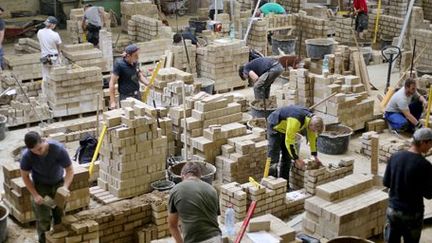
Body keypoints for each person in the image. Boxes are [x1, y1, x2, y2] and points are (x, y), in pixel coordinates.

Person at [20, 131, 74, 243]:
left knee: (59, 214)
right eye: (34, 151)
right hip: (41, 186)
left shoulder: (58, 149)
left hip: (58, 183)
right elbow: (25, 176)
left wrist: (65, 187)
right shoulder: (27, 156)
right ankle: (43, 241)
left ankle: (59, 239)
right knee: (43, 219)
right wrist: (35, 195)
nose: (38, 153)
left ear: (43, 141)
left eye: (39, 149)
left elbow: (69, 170)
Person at [383, 128, 432, 243]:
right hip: (412, 214)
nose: (430, 147)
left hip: (393, 210)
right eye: (430, 143)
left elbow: (386, 182)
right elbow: (429, 194)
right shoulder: (425, 165)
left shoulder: (395, 156)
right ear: (422, 142)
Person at [267, 105, 324, 183]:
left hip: (286, 127)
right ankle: (272, 184)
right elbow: (289, 141)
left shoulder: (311, 119)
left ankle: (284, 184)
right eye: (314, 130)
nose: (314, 132)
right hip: (275, 125)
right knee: (273, 157)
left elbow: (312, 138)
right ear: (310, 125)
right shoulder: (295, 121)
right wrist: (296, 159)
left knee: (287, 157)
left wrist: (314, 155)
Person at [168, 162, 221, 243]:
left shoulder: (175, 190)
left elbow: (172, 225)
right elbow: (214, 219)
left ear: (182, 175)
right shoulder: (212, 190)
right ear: (200, 176)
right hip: (216, 238)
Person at [109, 44, 150, 109]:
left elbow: (139, 75)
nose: (137, 57)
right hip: (126, 97)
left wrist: (148, 83)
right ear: (128, 56)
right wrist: (113, 102)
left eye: (138, 55)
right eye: (135, 55)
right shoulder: (119, 65)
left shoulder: (135, 62)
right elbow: (112, 83)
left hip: (137, 95)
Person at [37, 16, 62, 95]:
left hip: (44, 58)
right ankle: (55, 94)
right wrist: (59, 56)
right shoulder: (55, 34)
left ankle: (45, 95)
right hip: (53, 58)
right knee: (55, 76)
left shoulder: (40, 32)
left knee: (45, 76)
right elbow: (59, 47)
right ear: (52, 25)